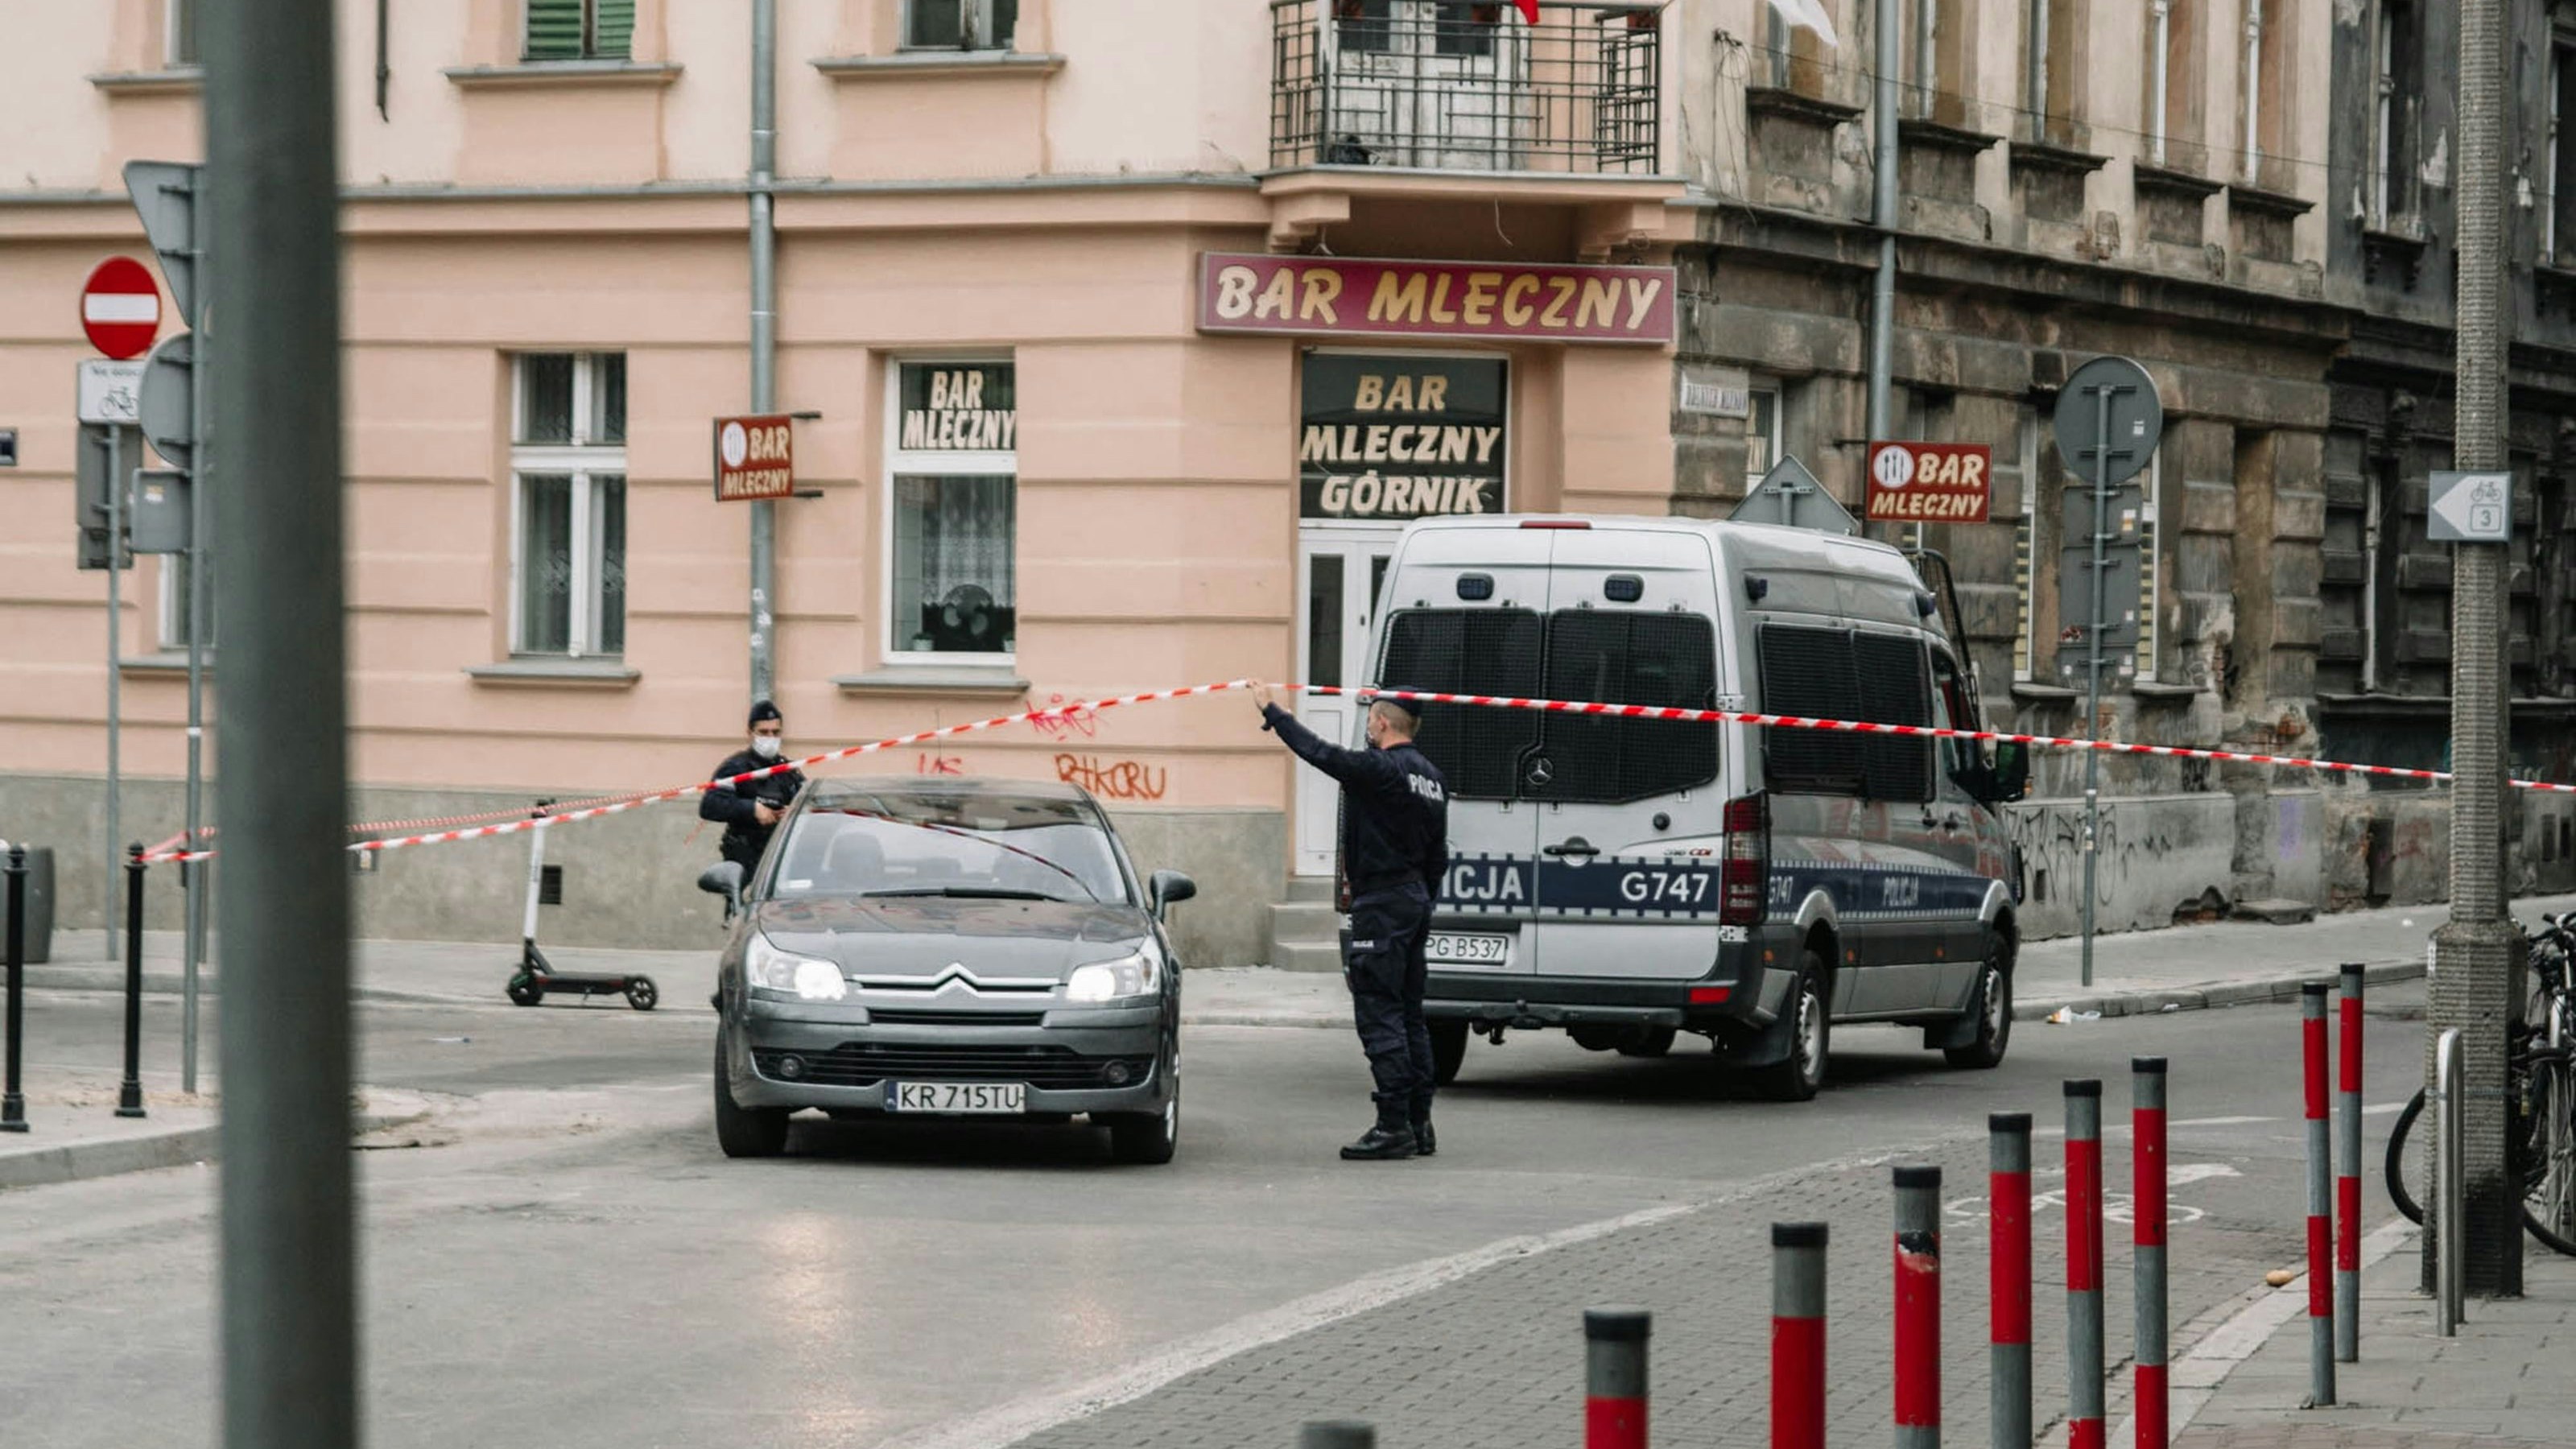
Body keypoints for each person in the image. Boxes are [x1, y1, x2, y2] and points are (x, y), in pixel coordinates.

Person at [1250, 680, 1449, 1161]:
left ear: (1381, 722)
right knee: (1409, 1015)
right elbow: (1439, 854)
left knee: (1379, 1013)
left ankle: (1393, 1126)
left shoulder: (1379, 769)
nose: (1368, 727)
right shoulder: (1433, 777)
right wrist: (1422, 898)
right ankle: (1420, 1124)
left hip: (1383, 901)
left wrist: (1273, 711)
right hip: (1415, 898)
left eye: (1370, 720)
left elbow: (1319, 752)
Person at [701, 700, 807, 875]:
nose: (770, 738)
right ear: (750, 733)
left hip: (780, 859)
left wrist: (791, 812)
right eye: (764, 732)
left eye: (776, 732)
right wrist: (752, 809)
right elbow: (710, 805)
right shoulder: (736, 767)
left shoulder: (788, 769)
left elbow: (806, 803)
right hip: (745, 860)